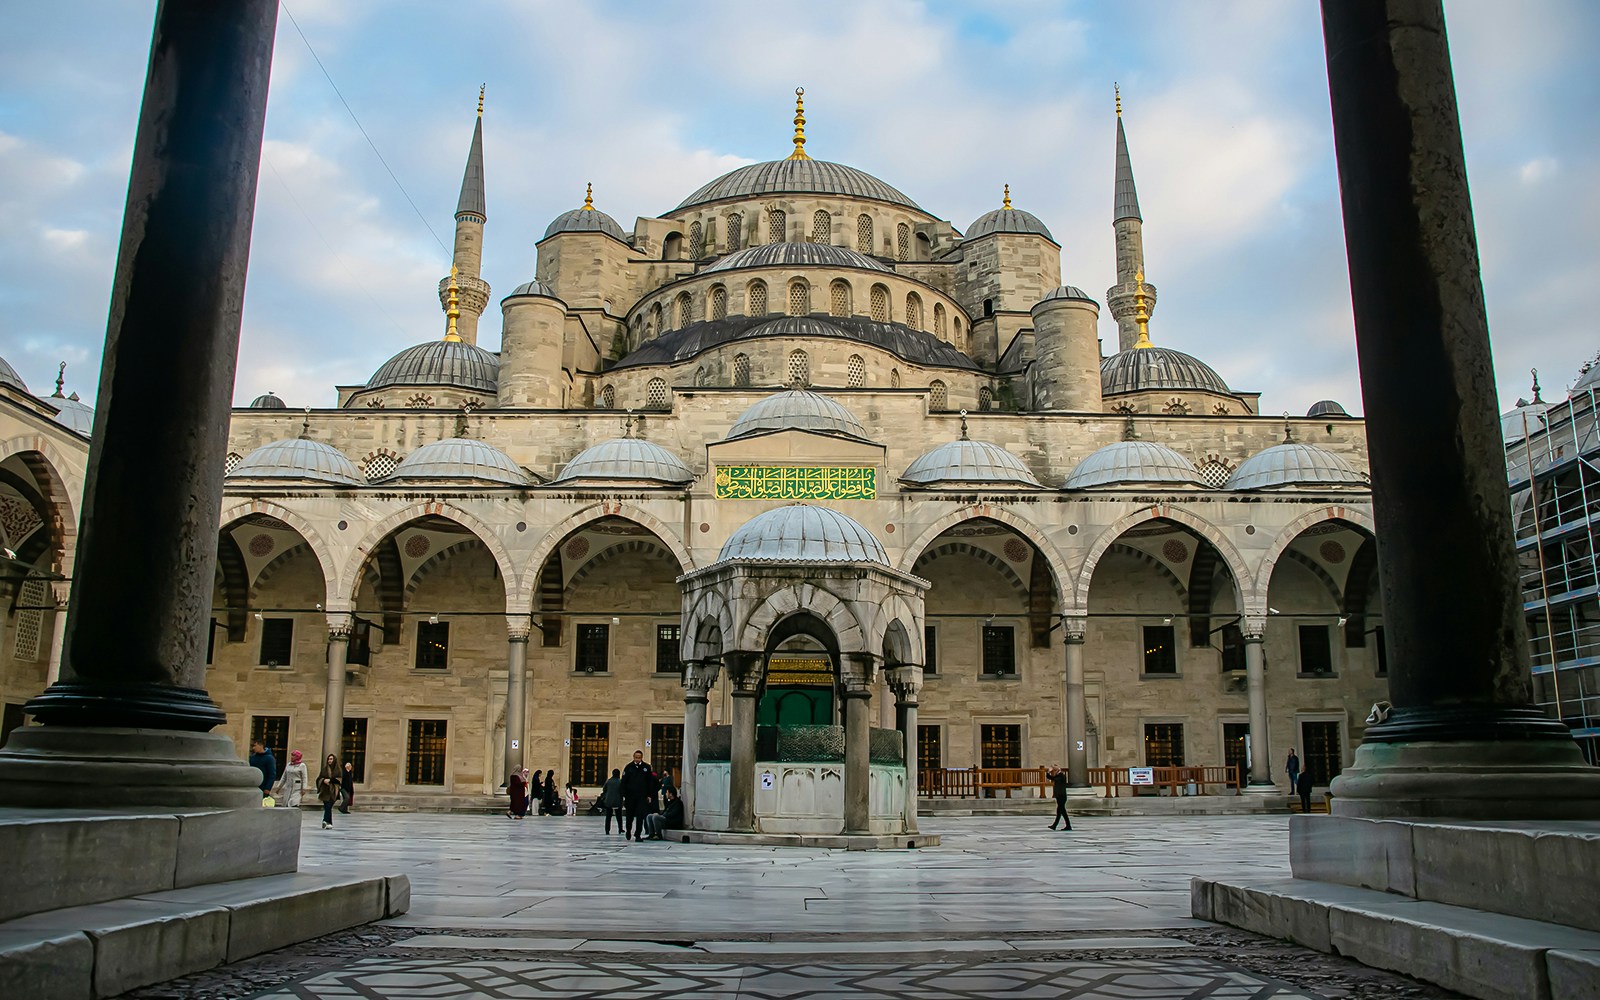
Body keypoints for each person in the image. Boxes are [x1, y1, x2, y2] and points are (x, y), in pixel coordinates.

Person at [620, 749, 656, 842]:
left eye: (639, 758)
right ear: (633, 757)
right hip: (630, 796)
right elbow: (623, 782)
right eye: (636, 757)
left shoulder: (646, 767)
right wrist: (624, 795)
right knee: (630, 816)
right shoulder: (629, 767)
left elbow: (649, 782)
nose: (637, 759)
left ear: (641, 758)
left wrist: (649, 795)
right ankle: (628, 830)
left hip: (641, 796)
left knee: (640, 816)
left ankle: (638, 834)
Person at [317, 753, 340, 829]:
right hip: (325, 791)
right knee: (327, 806)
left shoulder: (338, 769)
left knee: (329, 806)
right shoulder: (324, 769)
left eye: (331, 759)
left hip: (334, 791)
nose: (329, 761)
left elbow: (339, 780)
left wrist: (330, 780)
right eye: (329, 759)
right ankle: (327, 822)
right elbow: (319, 778)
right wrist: (323, 780)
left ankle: (327, 821)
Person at [1048, 765, 1072, 831]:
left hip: (1062, 796)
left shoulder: (1061, 775)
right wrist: (1048, 772)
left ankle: (1067, 826)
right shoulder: (1058, 775)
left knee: (1062, 812)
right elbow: (1049, 777)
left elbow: (1054, 779)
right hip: (1059, 796)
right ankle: (1055, 825)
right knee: (1060, 812)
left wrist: (1050, 773)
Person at [599, 768, 624, 834]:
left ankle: (607, 830)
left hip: (608, 801)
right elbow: (623, 791)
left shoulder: (608, 781)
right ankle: (620, 828)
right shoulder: (620, 781)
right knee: (619, 816)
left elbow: (604, 789)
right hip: (618, 801)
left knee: (608, 816)